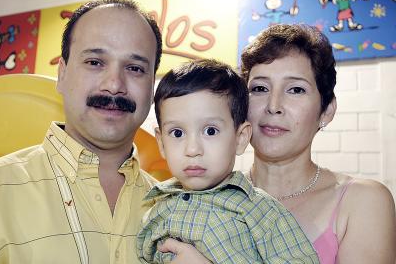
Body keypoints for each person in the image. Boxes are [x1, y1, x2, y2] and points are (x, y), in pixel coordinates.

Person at [0, 0, 198, 264]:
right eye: (95, 62)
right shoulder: (1, 188)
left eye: (135, 68)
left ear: (152, 87)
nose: (114, 84)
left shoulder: (179, 211)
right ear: (62, 74)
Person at [136, 59, 319, 264]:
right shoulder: (154, 210)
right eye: (177, 133)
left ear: (240, 138)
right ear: (161, 143)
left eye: (210, 131)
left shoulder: (260, 211)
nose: (192, 149)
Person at [241, 24, 396, 263]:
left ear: (326, 111)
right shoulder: (215, 195)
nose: (273, 106)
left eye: (295, 89)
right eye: (259, 88)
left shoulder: (362, 201)